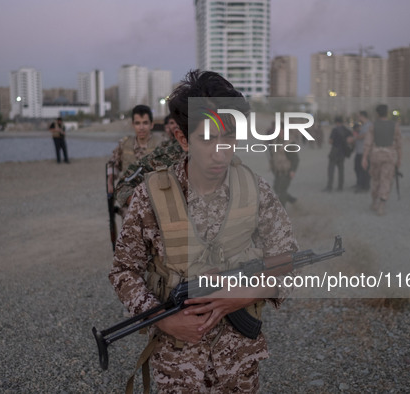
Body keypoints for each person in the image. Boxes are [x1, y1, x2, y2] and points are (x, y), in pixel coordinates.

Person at [109, 70, 298, 392]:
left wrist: (241, 296)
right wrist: (162, 318)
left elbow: (287, 261)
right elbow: (124, 271)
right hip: (176, 363)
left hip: (240, 361)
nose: (221, 150)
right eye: (207, 139)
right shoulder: (151, 195)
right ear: (183, 139)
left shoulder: (255, 191)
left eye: (229, 137)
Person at [106, 105, 161, 195]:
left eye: (145, 123)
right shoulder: (124, 144)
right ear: (133, 125)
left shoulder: (161, 144)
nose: (141, 127)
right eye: (137, 123)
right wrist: (110, 182)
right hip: (129, 197)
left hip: (154, 195)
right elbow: (113, 164)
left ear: (152, 124)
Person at [362, 104, 403, 216]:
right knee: (386, 180)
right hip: (389, 157)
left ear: (377, 113)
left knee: (375, 180)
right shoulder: (394, 126)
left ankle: (374, 202)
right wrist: (399, 159)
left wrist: (364, 158)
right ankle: (381, 205)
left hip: (375, 156)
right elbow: (399, 144)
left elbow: (368, 143)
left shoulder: (373, 126)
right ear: (387, 113)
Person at [269, 122, 299, 206]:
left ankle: (283, 213)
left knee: (281, 191)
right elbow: (274, 155)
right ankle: (293, 200)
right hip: (277, 171)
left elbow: (295, 159)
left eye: (280, 130)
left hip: (287, 171)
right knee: (276, 187)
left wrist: (293, 170)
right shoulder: (275, 141)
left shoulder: (289, 143)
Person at [323, 116, 353, 192]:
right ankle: (340, 187)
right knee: (341, 170)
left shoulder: (335, 130)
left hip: (335, 151)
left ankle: (329, 186)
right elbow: (351, 140)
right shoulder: (347, 130)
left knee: (331, 169)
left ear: (336, 122)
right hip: (342, 152)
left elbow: (330, 141)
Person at [354, 111, 371, 192]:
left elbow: (366, 135)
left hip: (365, 151)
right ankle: (359, 184)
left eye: (359, 116)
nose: (358, 118)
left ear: (362, 116)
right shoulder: (363, 126)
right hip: (359, 151)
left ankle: (365, 187)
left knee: (364, 170)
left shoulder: (368, 125)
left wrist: (355, 138)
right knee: (357, 168)